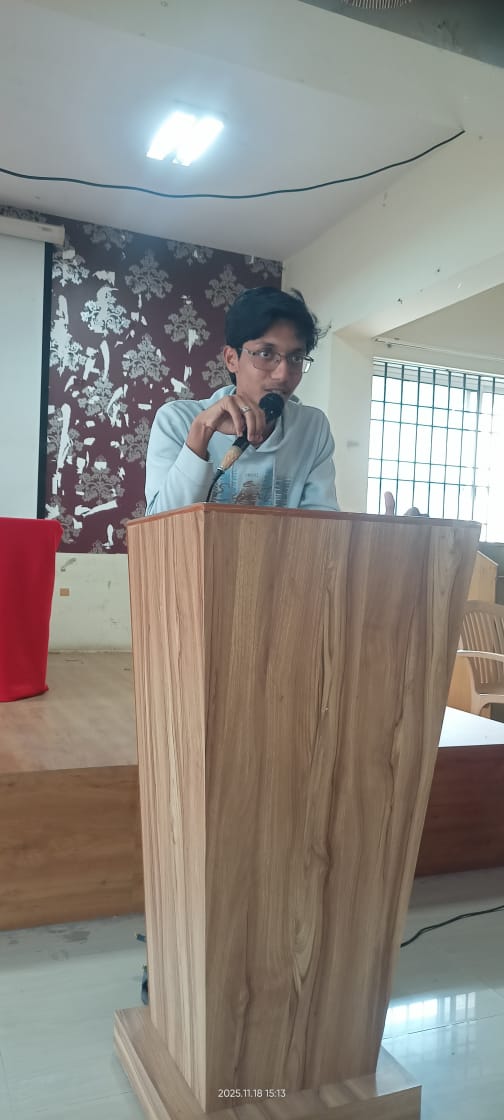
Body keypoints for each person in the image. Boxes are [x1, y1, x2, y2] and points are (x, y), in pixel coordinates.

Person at [145, 287, 339, 514]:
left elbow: (322, 526)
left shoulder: (312, 428)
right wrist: (201, 433)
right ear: (231, 359)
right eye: (266, 354)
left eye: (296, 358)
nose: (283, 374)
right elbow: (160, 528)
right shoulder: (177, 420)